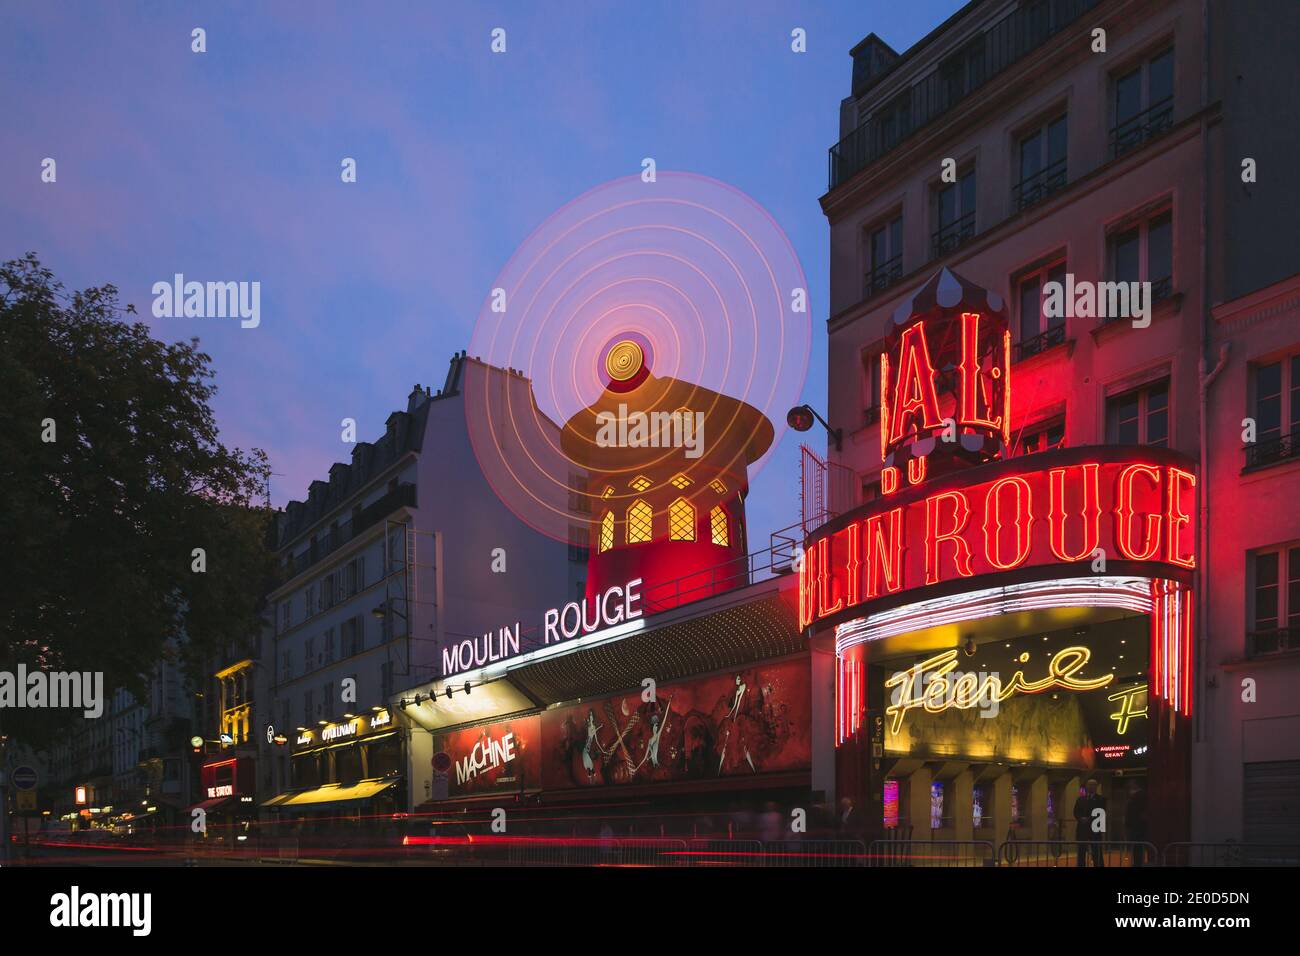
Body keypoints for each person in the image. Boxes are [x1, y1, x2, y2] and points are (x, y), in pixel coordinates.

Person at [1073, 779, 1106, 867]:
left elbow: (1101, 812)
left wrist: (1089, 819)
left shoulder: (1101, 799)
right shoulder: (1080, 799)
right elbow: (1076, 812)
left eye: (1093, 785)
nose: (1091, 786)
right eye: (1089, 785)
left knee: (1096, 852)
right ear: (1086, 786)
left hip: (1095, 829)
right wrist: (1080, 818)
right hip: (1082, 829)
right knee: (1081, 852)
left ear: (1096, 787)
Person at [1126, 780, 1149, 866]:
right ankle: (1137, 862)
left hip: (1137, 826)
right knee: (1137, 847)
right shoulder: (1136, 796)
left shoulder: (1139, 795)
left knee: (1138, 847)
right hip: (1135, 825)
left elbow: (1135, 812)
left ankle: (1138, 863)